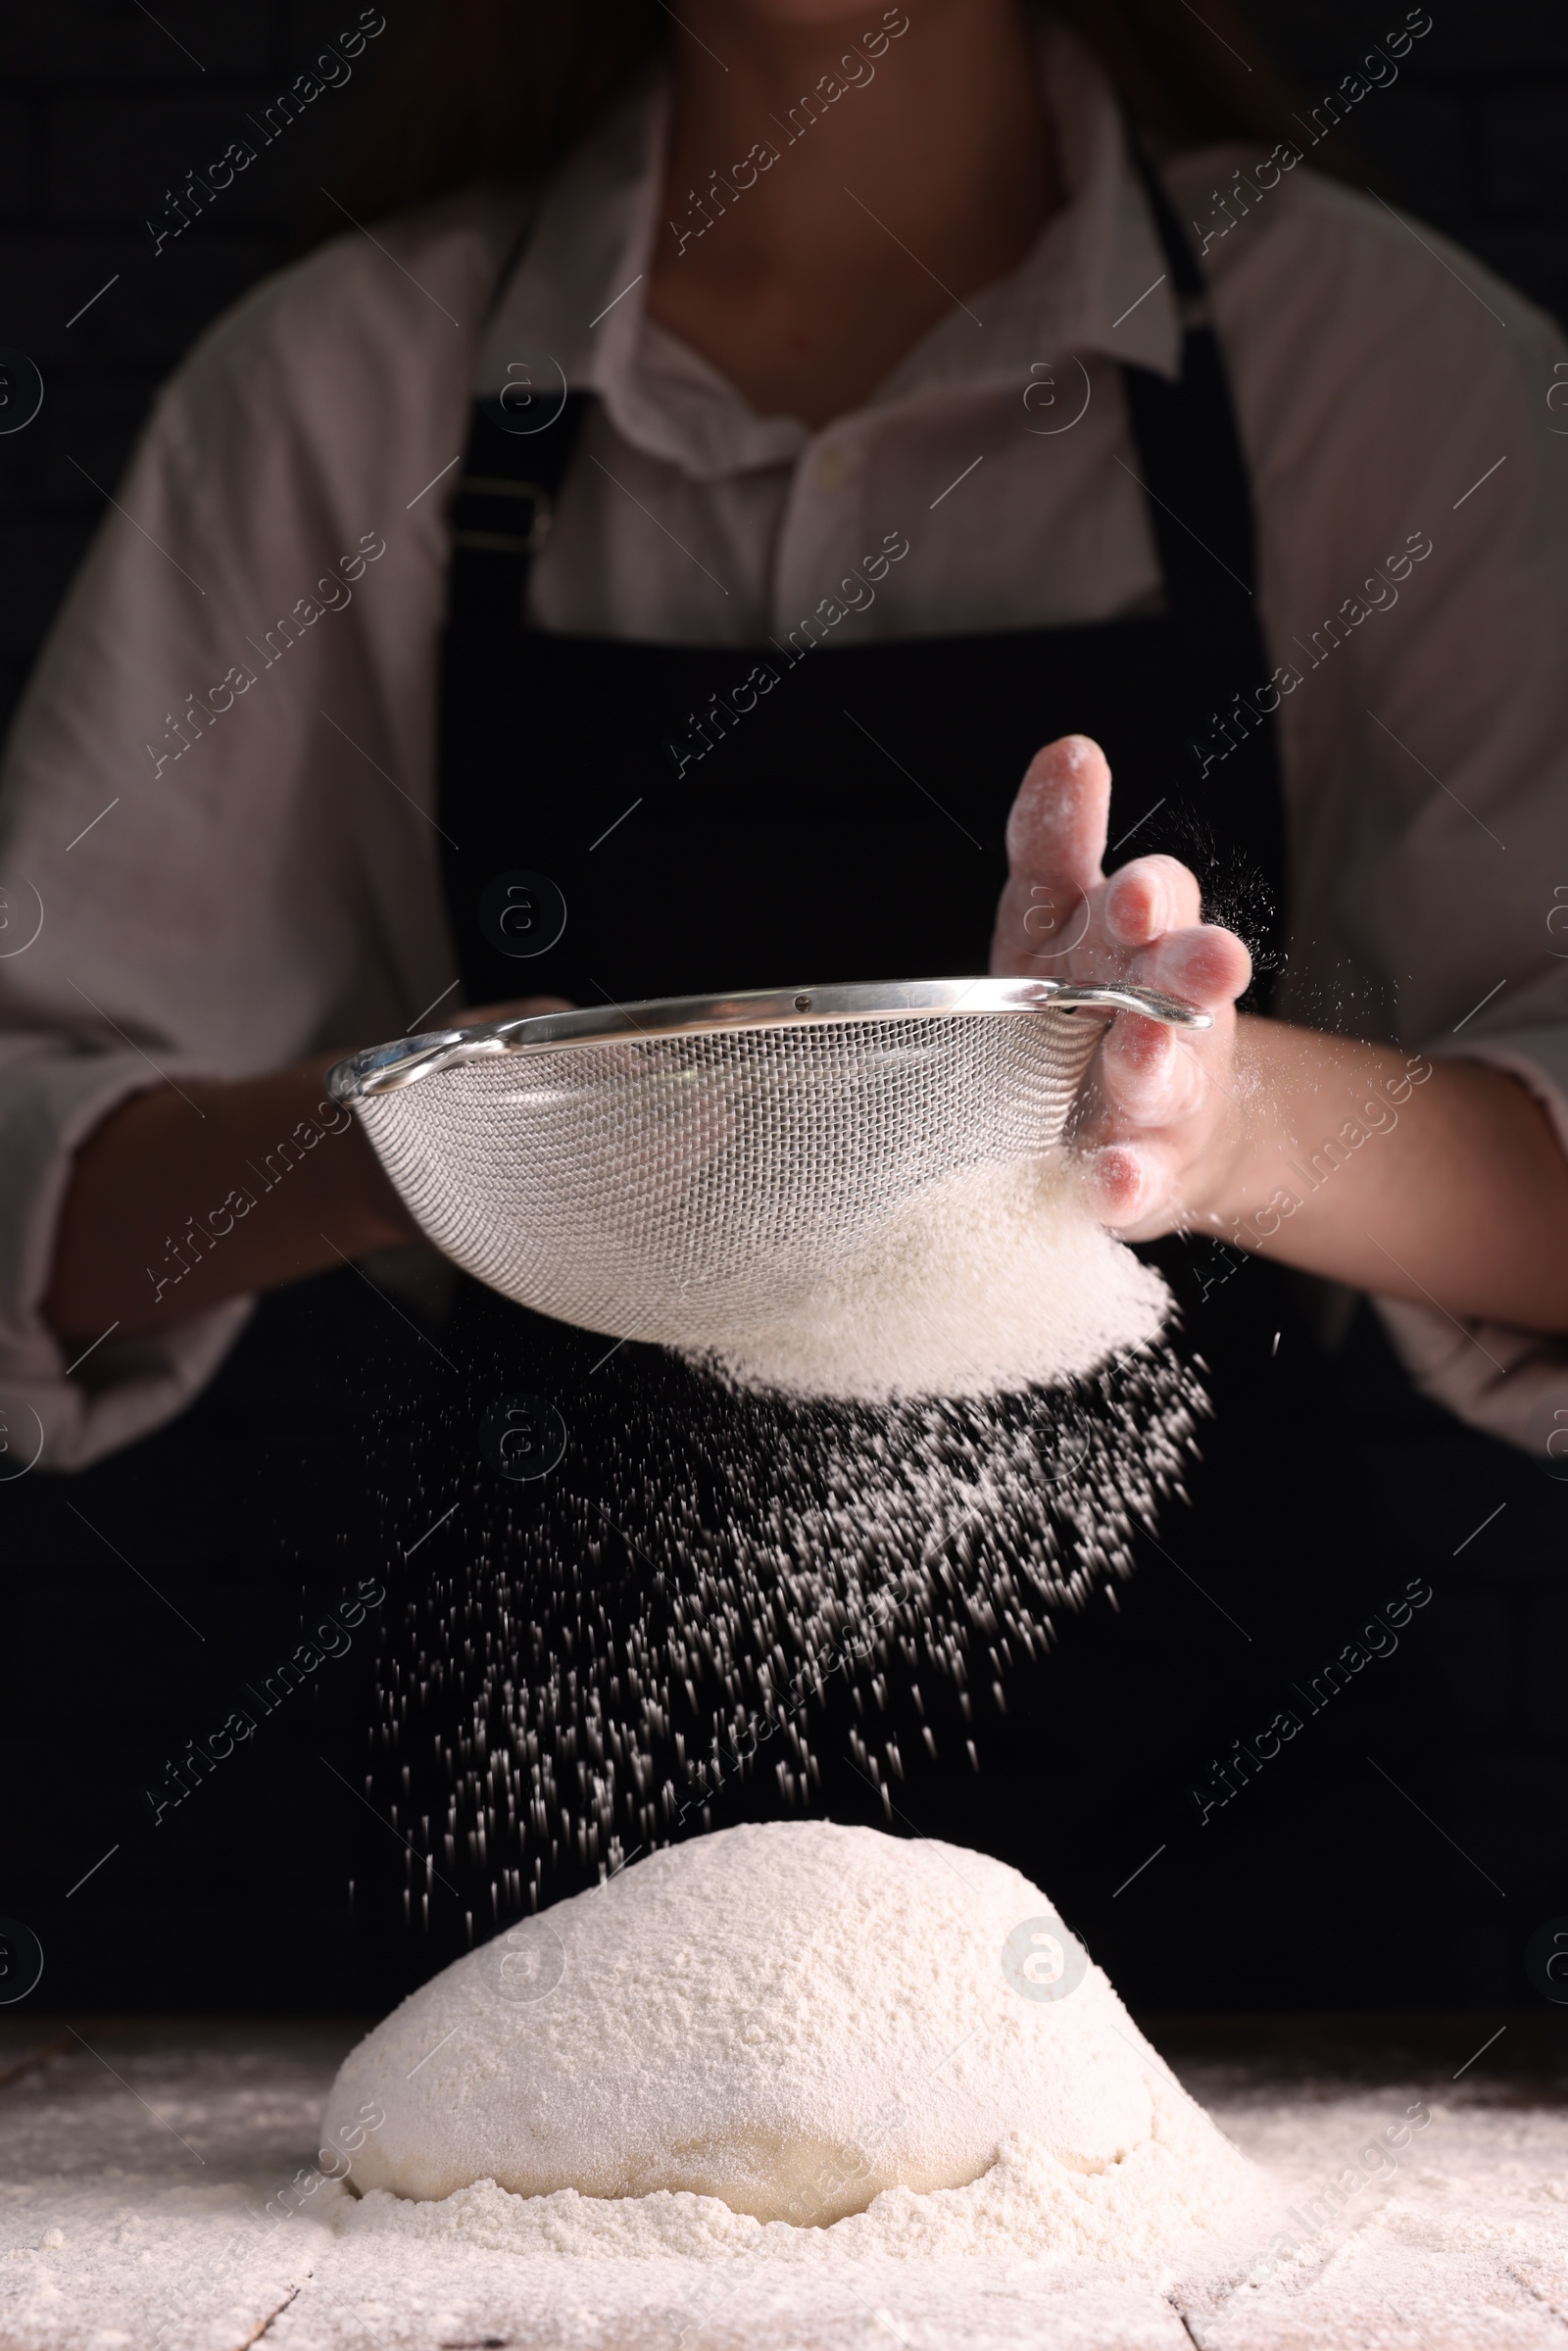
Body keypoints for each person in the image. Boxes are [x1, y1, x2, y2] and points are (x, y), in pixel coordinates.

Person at [2, 0, 1565, 2002]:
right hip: (554, 1877)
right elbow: (42, 1203)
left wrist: (1214, 1115)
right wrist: (470, 1130)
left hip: (1239, 1893)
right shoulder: (340, 389)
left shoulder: (1386, 374)